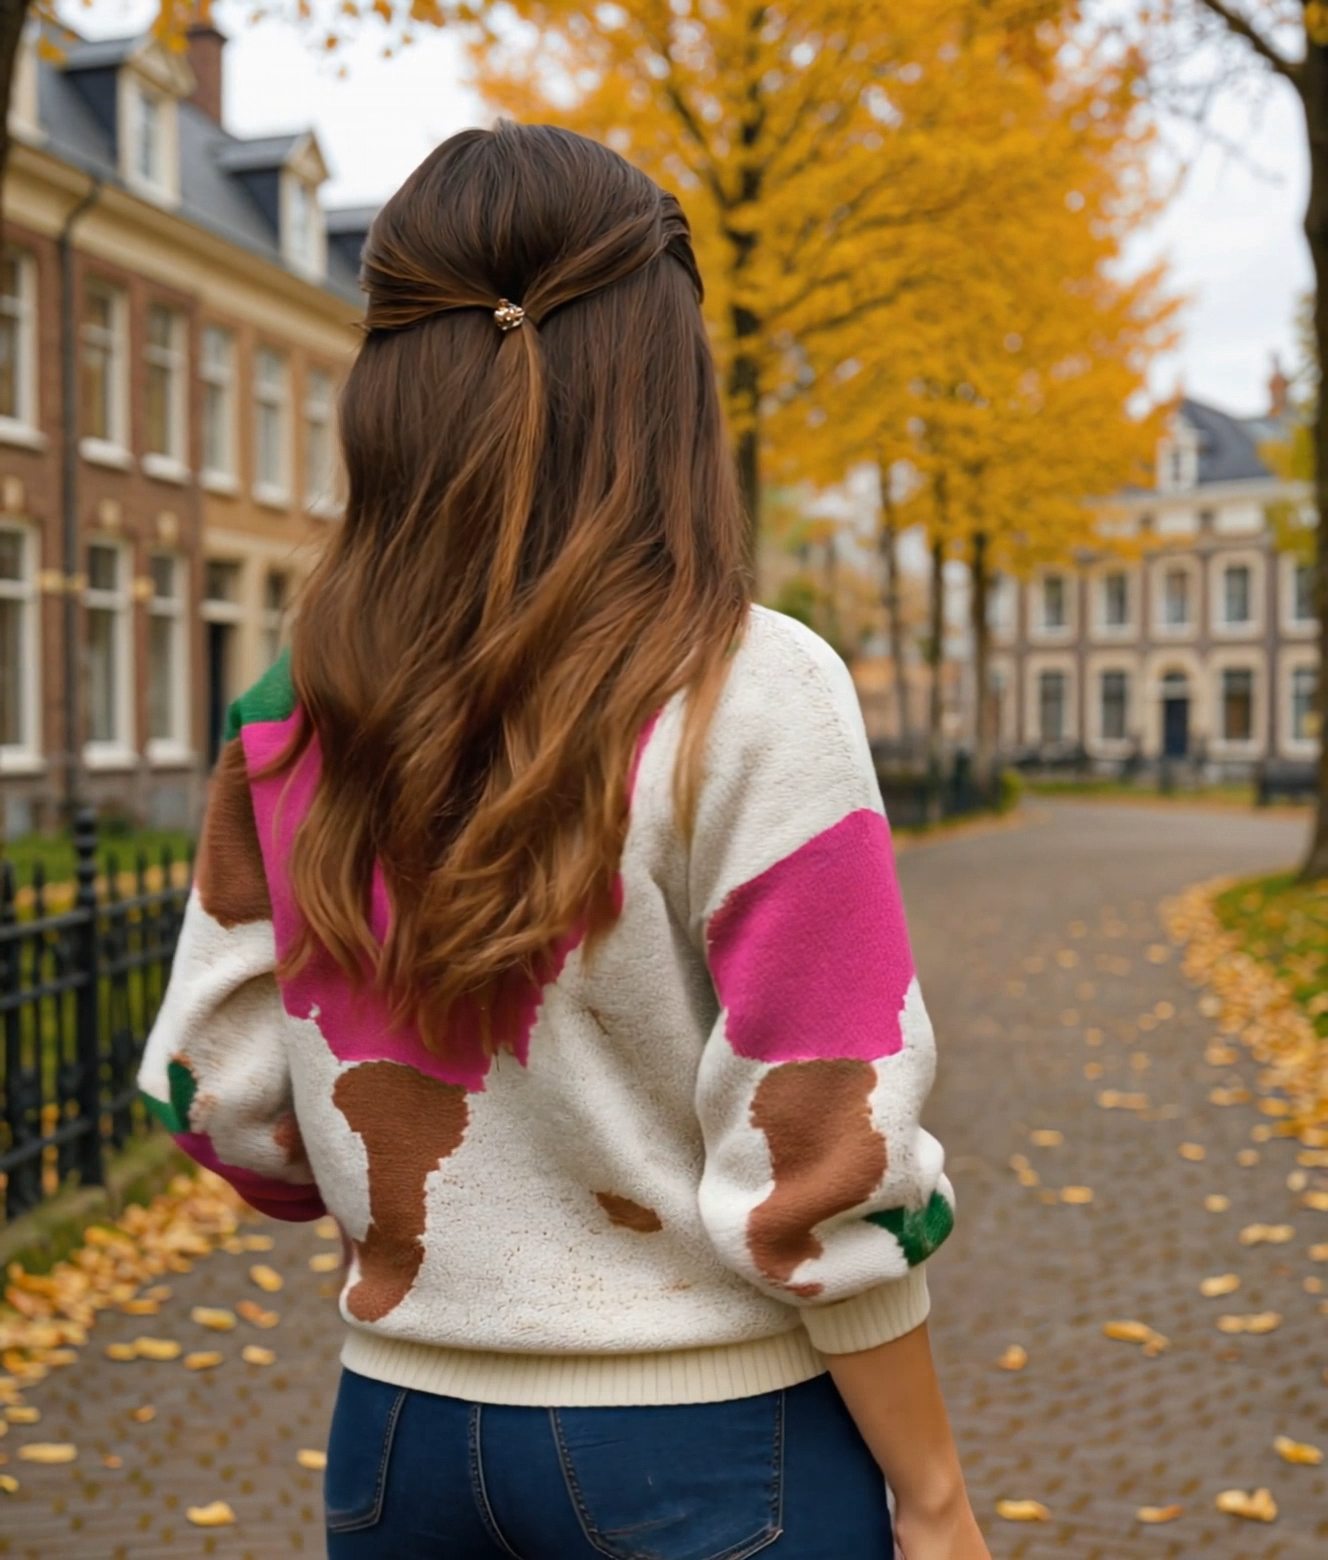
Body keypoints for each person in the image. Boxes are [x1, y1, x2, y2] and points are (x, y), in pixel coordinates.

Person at [138, 121, 988, 1560]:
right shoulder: (753, 683)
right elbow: (823, 1141)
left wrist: (429, 1207)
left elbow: (220, 1097)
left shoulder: (299, 707)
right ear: (662, 383)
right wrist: (937, 1492)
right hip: (711, 1442)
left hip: (397, 1440)